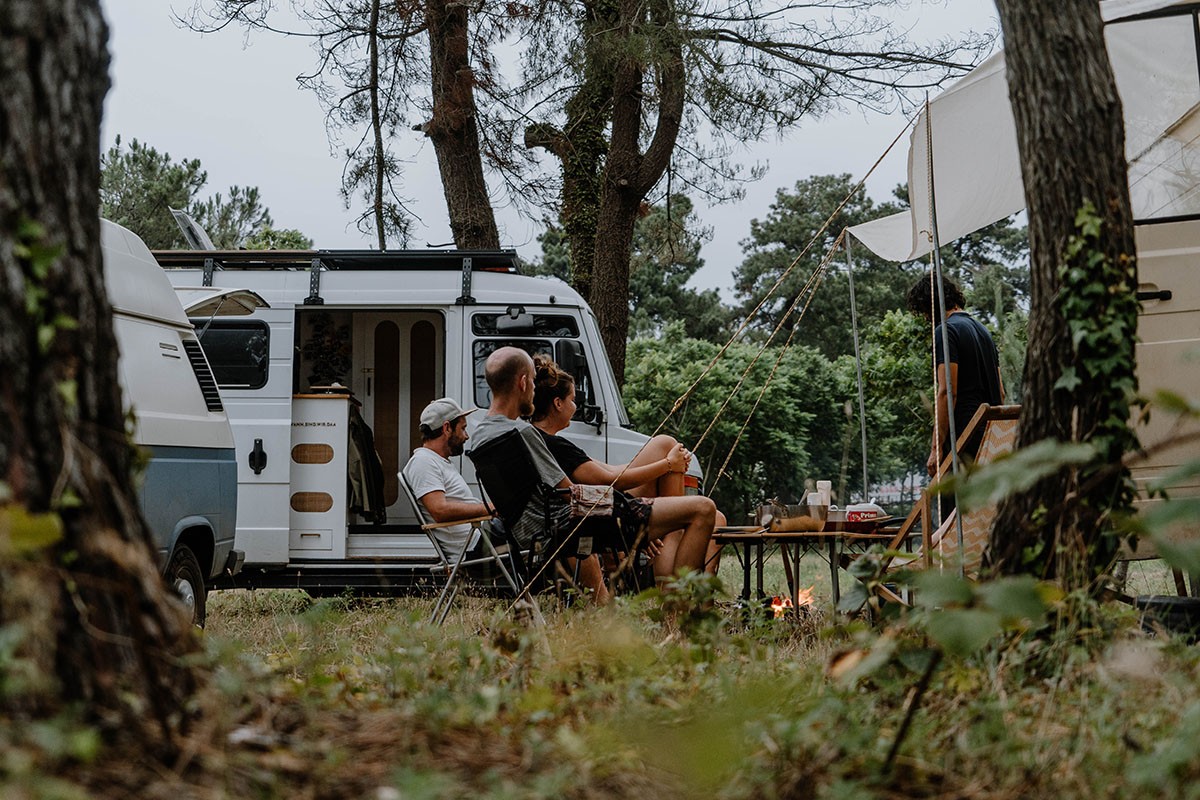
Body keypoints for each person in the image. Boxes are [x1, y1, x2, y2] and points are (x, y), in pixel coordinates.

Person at [472, 347, 717, 585]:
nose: (534, 390)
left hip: (532, 530)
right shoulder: (522, 434)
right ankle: (679, 609)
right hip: (568, 525)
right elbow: (571, 494)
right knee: (702, 509)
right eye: (534, 382)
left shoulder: (481, 434)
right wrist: (626, 505)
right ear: (523, 382)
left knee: (681, 506)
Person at [905, 270, 1005, 486]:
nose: (925, 318)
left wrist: (936, 449)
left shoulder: (946, 331)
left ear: (930, 306)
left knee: (954, 510)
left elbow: (947, 390)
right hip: (989, 435)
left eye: (924, 312)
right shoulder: (984, 331)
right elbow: (1001, 391)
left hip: (963, 438)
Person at [402, 397, 489, 558]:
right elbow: (439, 510)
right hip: (475, 545)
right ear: (447, 428)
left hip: (482, 536)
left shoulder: (437, 461)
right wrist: (490, 508)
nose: (466, 436)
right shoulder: (423, 462)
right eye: (463, 428)